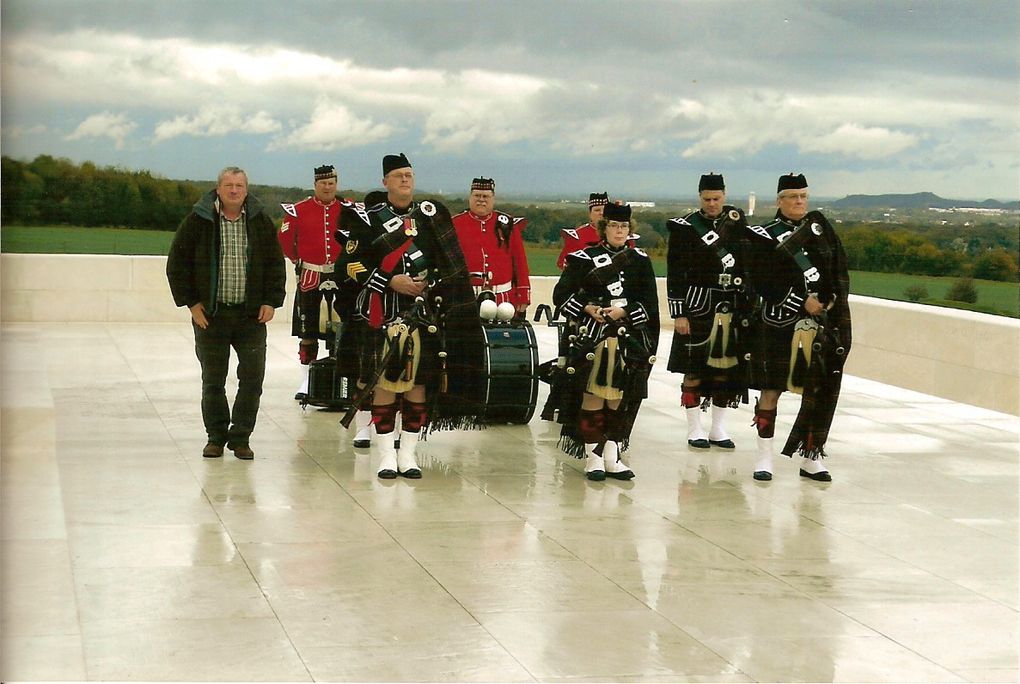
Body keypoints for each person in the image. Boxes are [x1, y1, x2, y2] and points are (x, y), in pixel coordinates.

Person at [336, 153, 477, 479]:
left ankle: (409, 454)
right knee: (384, 386)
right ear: (385, 182)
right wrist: (390, 281)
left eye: (409, 175)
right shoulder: (368, 219)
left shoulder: (429, 218)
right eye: (398, 175)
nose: (405, 180)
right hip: (382, 313)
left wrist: (432, 286)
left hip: (422, 315)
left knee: (419, 387)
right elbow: (348, 265)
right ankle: (386, 455)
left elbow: (449, 266)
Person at [166, 166, 286, 460]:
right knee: (213, 380)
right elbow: (177, 264)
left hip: (250, 318)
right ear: (218, 189)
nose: (234, 190)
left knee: (252, 379)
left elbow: (275, 263)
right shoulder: (198, 220)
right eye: (229, 185)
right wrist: (192, 304)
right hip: (211, 317)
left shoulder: (259, 221)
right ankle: (216, 437)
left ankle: (241, 437)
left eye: (239, 186)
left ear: (247, 189)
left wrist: (271, 300)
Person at [743, 173, 852, 481]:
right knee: (771, 390)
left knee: (818, 391)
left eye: (803, 196)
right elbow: (761, 279)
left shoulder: (819, 231)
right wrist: (802, 301)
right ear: (779, 200)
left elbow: (836, 271)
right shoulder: (763, 235)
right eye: (792, 196)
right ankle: (763, 458)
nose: (799, 202)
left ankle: (811, 456)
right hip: (779, 323)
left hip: (820, 325)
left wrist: (828, 301)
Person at [549, 203, 660, 480]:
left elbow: (650, 304)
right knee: (592, 395)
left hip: (628, 338)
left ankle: (612, 456)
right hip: (593, 336)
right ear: (604, 228)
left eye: (624, 227)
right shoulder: (584, 258)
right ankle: (593, 457)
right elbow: (561, 296)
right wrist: (588, 309)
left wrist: (624, 312)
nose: (619, 231)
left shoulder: (640, 261)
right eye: (614, 226)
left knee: (620, 400)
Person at [666, 173, 749, 451]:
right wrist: (679, 313)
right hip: (697, 305)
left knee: (724, 370)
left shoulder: (737, 223)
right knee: (694, 369)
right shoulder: (686, 227)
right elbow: (675, 273)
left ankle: (718, 428)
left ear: (724, 195)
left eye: (716, 198)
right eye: (707, 199)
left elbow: (748, 263)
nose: (712, 204)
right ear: (699, 197)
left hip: (731, 306)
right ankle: (694, 429)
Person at [278, 164, 344, 401]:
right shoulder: (298, 210)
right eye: (323, 183)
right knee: (308, 331)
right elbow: (285, 239)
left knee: (342, 329)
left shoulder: (348, 209)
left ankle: (342, 379)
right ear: (315, 185)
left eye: (332, 182)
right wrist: (298, 260)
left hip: (341, 277)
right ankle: (306, 380)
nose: (328, 187)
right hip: (310, 276)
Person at [451, 177, 531, 316]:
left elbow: (519, 261)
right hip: (466, 297)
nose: (481, 200)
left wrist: (523, 295)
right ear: (470, 197)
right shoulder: (455, 224)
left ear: (493, 198)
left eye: (486, 196)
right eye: (477, 195)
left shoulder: (507, 224)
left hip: (503, 300)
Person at [556, 192, 609, 270]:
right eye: (597, 210)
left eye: (605, 210)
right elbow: (563, 263)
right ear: (590, 214)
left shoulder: (620, 235)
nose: (601, 213)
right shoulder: (577, 236)